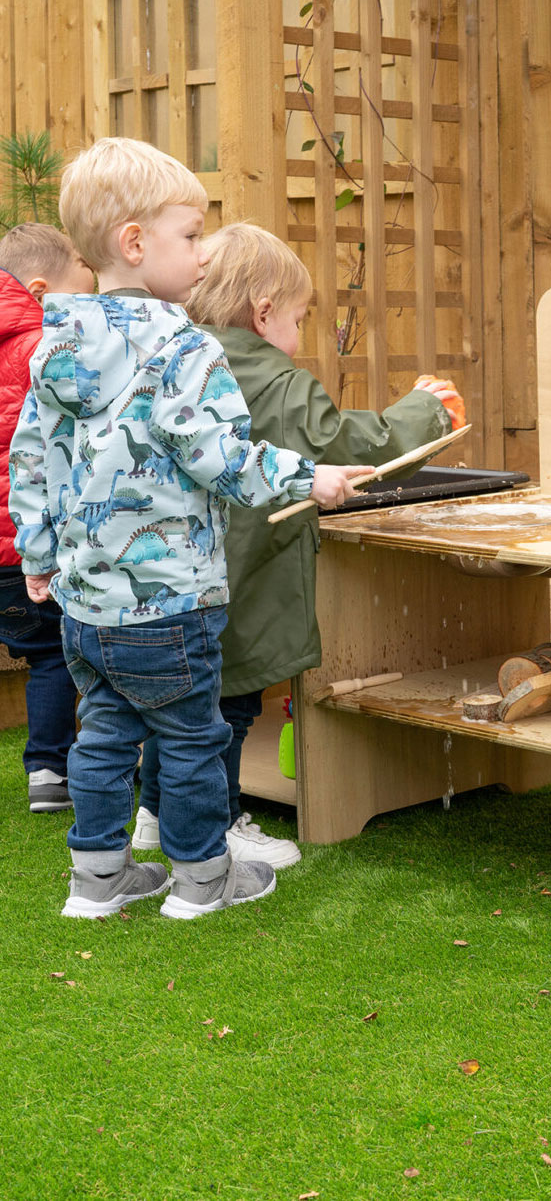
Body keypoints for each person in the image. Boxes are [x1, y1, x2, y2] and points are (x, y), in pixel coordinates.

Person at [8, 137, 373, 918]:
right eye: (192, 234)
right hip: (171, 603)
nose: (204, 255)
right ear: (135, 244)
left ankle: (98, 881)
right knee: (192, 739)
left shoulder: (55, 344)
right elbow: (220, 456)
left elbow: (31, 457)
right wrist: (313, 477)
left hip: (84, 607)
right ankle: (203, 878)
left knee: (103, 738)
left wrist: (38, 555)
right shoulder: (184, 345)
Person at [132, 222, 464, 867]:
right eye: (299, 317)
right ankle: (219, 822)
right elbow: (349, 446)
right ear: (263, 313)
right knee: (228, 704)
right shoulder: (274, 381)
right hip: (243, 572)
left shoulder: (170, 358)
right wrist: (424, 410)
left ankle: (154, 812)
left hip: (174, 566)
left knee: (182, 702)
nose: (299, 333)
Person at [0, 224, 94, 812]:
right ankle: (49, 773)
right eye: (83, 271)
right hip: (24, 548)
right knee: (53, 655)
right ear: (40, 292)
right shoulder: (43, 348)